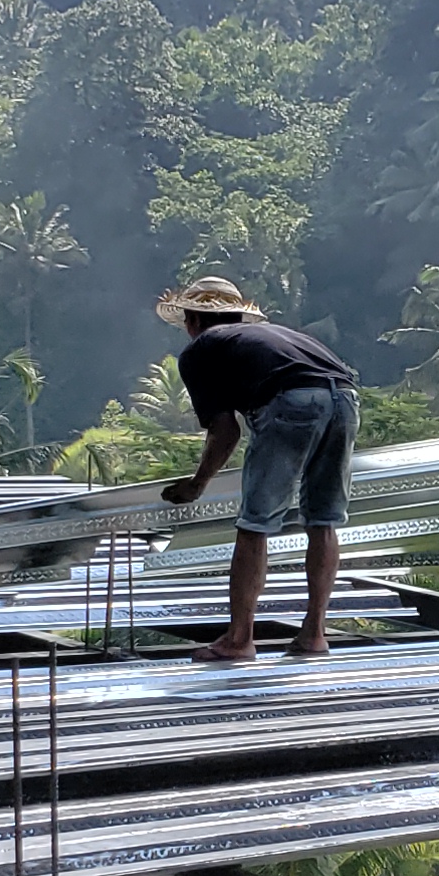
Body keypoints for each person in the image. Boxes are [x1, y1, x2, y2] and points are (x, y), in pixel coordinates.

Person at [156, 276, 359, 662]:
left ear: (192, 321)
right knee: (323, 520)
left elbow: (225, 430)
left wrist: (198, 485)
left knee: (255, 524)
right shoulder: (270, 338)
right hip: (345, 399)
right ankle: (314, 635)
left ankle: (238, 639)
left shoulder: (201, 349)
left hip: (293, 402)